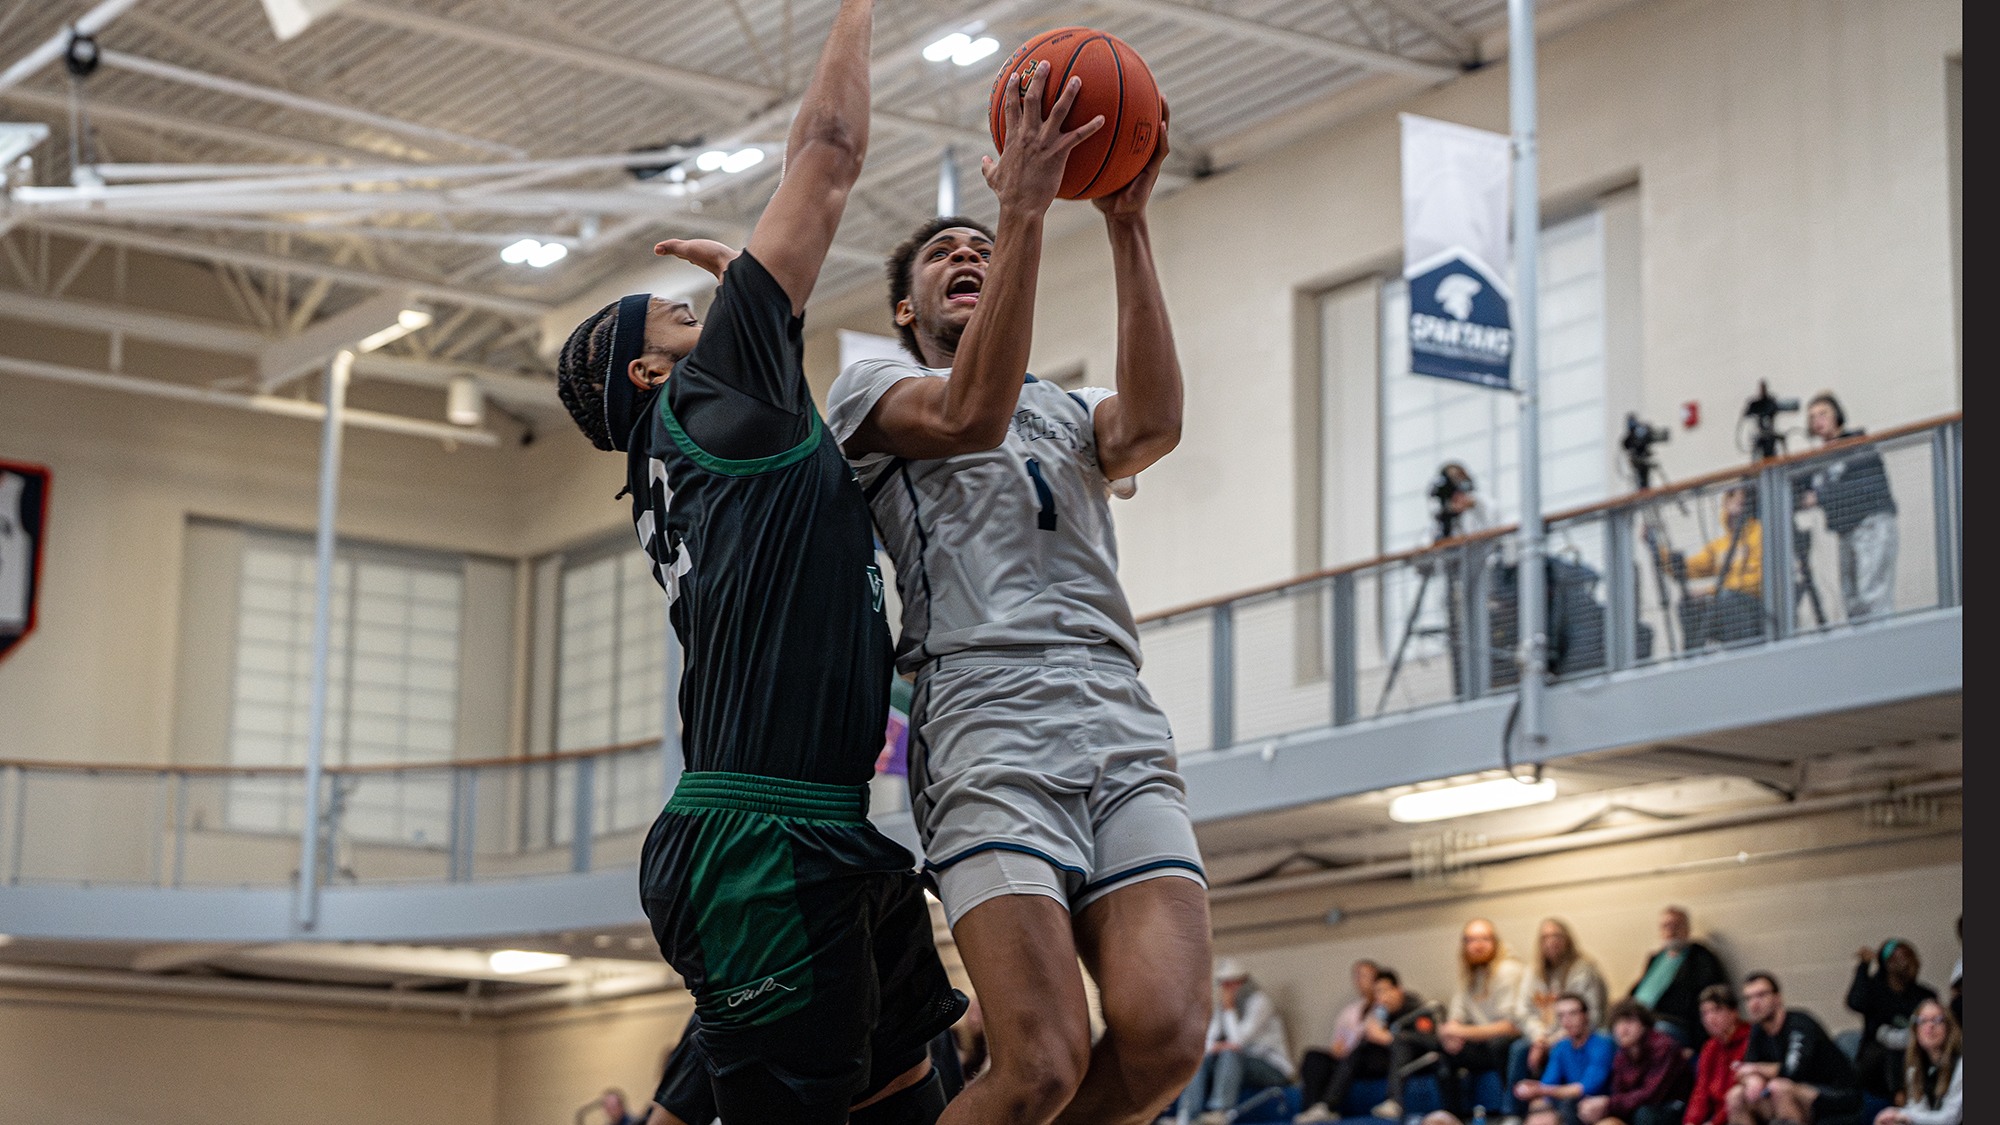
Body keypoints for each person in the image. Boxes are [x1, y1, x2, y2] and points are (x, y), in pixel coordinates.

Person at [551, 3, 966, 1119]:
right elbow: (826, 158)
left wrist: (749, 316)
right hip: (757, 836)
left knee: (918, 1093)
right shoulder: (708, 398)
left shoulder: (686, 446)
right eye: (683, 317)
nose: (712, 311)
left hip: (813, 823)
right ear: (648, 377)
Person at [827, 56, 1206, 1125]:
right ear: (905, 308)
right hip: (984, 713)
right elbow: (968, 418)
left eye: (981, 248)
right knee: (1038, 1065)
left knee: (1167, 1038)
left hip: (1115, 711)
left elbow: (1154, 425)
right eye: (944, 254)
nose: (968, 252)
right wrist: (1022, 213)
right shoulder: (871, 390)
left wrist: (1127, 223)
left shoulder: (1072, 408)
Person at [1800, 392, 1898, 620]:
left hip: (1872, 525)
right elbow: (1799, 486)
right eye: (1812, 417)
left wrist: (1820, 497)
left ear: (1837, 416)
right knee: (1852, 599)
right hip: (1846, 532)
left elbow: (1864, 486)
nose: (1817, 420)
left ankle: (1881, 648)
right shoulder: (1818, 459)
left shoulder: (1858, 444)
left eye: (1823, 414)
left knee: (1872, 595)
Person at [1297, 968, 1433, 1123]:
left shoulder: (1416, 1007)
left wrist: (1390, 1038)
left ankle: (1394, 1102)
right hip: (1389, 1060)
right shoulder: (1382, 1012)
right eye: (1378, 993)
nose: (1382, 998)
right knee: (1361, 1048)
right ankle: (1327, 1106)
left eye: (1385, 991)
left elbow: (1428, 1041)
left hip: (1417, 1060)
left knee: (1401, 1043)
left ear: (1398, 989)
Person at [1727, 972, 1860, 1125]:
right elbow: (1746, 1069)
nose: (1754, 1003)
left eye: (1761, 995)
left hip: (1836, 1094)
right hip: (1795, 1091)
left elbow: (1792, 1072)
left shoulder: (1799, 1024)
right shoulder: (1758, 1030)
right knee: (1736, 1096)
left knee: (1778, 1088)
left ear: (1777, 998)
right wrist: (1752, 1079)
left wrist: (1755, 1069)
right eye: (1749, 998)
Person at [1178, 960, 1295, 1125]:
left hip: (1272, 1066)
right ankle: (1187, 1115)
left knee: (1231, 1053)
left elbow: (1237, 1041)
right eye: (1223, 984)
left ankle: (1220, 1111)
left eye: (1232, 984)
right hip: (1238, 1062)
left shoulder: (1261, 1002)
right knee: (1198, 1059)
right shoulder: (1223, 1006)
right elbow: (1209, 1040)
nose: (1227, 989)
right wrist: (1215, 1044)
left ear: (1243, 981)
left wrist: (1229, 1008)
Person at [1434, 918, 1528, 1119]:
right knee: (1442, 1052)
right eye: (1471, 940)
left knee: (1499, 1044)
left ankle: (1513, 1114)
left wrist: (1459, 1031)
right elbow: (1455, 1018)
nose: (1477, 945)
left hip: (1509, 1041)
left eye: (1484, 939)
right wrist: (1450, 1037)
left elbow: (1510, 1026)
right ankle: (1453, 1117)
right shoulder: (1468, 975)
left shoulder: (1508, 970)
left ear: (1495, 942)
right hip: (1482, 1044)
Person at [1511, 919, 1611, 1103]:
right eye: (1546, 937)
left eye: (1556, 935)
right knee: (1518, 1049)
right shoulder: (1533, 971)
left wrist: (1549, 1042)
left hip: (1579, 1036)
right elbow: (1521, 1011)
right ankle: (1513, 1112)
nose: (1551, 941)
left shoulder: (1584, 969)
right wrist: (1540, 1038)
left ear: (1567, 939)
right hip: (1544, 1036)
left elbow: (1590, 1016)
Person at [1657, 487, 1763, 646]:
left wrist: (1710, 591)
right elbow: (1689, 568)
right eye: (1730, 499)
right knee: (1688, 604)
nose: (1733, 504)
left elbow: (1756, 581)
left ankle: (1742, 653)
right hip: (1725, 604)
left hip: (1753, 608)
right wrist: (1658, 551)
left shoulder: (1760, 533)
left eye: (1739, 501)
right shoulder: (1720, 545)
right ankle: (1693, 658)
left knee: (1728, 599)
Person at [1627, 907, 1730, 1049]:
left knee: (1655, 1034)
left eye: (1676, 925)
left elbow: (1707, 997)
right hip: (1639, 1019)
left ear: (1687, 929)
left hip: (1673, 1024)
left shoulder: (1700, 958)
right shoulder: (1656, 958)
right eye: (1665, 926)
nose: (1671, 931)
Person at [1847, 939, 1938, 1099]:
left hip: (1915, 1057)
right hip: (1877, 1061)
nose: (1908, 963)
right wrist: (1864, 966)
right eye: (1900, 958)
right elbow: (1855, 1002)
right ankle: (1899, 1098)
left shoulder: (1925, 995)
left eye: (1911, 957)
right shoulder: (1875, 990)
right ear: (1887, 964)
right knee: (1891, 1051)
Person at [1295, 960, 1382, 1121]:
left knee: (1360, 1051)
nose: (1359, 980)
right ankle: (1312, 1108)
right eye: (1356, 976)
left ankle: (1328, 1105)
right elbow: (1337, 1046)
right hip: (1346, 1061)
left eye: (1364, 975)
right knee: (1313, 1056)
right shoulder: (1349, 1011)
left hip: (1370, 1060)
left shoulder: (1383, 1006)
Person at [1513, 993, 1614, 1125]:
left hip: (1601, 1103)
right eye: (1561, 1015)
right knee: (1539, 1108)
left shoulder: (1603, 1044)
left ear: (1586, 1015)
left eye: (1573, 1013)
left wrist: (1539, 1090)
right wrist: (1535, 1096)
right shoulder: (1561, 1047)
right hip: (1571, 1103)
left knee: (1569, 1104)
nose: (1567, 1020)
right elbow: (1548, 1084)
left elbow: (1586, 1088)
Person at [1594, 1000, 1691, 1125]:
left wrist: (1608, 1103)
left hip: (1673, 1107)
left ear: (1644, 1024)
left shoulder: (1664, 1046)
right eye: (1617, 1024)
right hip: (1641, 1107)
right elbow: (1619, 1092)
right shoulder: (1621, 1054)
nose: (1622, 1029)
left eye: (1629, 1022)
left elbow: (1652, 1094)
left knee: (1643, 1114)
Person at [1874, 999, 1960, 1125]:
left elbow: (1951, 1119)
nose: (1930, 1026)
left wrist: (1903, 1115)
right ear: (1915, 1029)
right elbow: (1918, 1111)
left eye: (1937, 1020)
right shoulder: (1915, 1066)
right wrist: (1894, 1116)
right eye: (1923, 1021)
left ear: (1948, 1027)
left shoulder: (1960, 1064)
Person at [1683, 984, 1751, 1125]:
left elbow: (1741, 1094)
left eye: (1717, 1010)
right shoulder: (1710, 1047)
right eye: (1705, 1013)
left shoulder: (1751, 1040)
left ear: (1734, 1012)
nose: (1710, 1019)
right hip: (1716, 1117)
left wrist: (1715, 1123)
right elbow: (1701, 1092)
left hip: (1740, 1114)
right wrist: (1691, 1122)